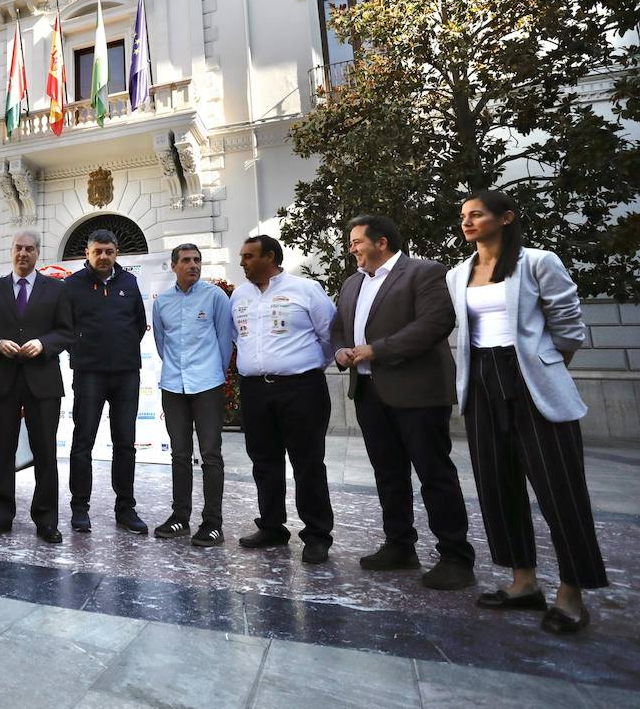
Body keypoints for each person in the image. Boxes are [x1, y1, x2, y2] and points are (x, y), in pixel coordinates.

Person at [449, 189, 608, 634]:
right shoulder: (458, 273)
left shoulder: (538, 262)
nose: (467, 222)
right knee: (498, 487)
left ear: (505, 218)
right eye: (464, 216)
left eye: (476, 214)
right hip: (481, 384)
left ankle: (572, 592)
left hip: (531, 381)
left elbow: (568, 327)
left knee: (561, 491)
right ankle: (523, 583)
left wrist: (544, 369)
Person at [331, 215, 475, 589]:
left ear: (381, 242)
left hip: (418, 393)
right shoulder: (351, 285)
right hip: (368, 394)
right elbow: (338, 330)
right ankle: (399, 545)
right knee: (389, 474)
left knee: (434, 474)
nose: (352, 249)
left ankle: (456, 556)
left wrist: (376, 351)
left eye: (357, 241)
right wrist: (341, 351)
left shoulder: (425, 273)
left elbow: (433, 324)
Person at [231, 234, 336, 564]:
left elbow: (331, 335)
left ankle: (317, 535)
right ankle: (272, 527)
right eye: (242, 256)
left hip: (301, 389)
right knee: (264, 462)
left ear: (270, 257)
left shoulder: (305, 290)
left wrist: (303, 366)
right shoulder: (240, 295)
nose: (242, 262)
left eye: (249, 256)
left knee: (307, 463)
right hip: (255, 390)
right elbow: (238, 338)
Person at [0, 230, 75, 544]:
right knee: (2, 450)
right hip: (4, 381)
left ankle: (46, 521)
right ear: (12, 251)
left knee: (45, 452)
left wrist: (44, 344)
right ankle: (0, 516)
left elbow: (67, 332)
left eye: (30, 249)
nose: (23, 254)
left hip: (42, 382)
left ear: (37, 253)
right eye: (19, 248)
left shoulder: (56, 290)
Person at [64, 229, 149, 535]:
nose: (103, 256)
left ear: (116, 253)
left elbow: (139, 324)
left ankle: (125, 508)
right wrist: (86, 351)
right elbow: (65, 326)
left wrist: (121, 349)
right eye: (97, 251)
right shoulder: (72, 285)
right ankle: (79, 508)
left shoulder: (130, 282)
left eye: (109, 251)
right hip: (89, 374)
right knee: (83, 442)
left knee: (125, 444)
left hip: (126, 374)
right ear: (87, 254)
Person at [151, 243, 233, 547]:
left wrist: (212, 374)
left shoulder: (215, 297)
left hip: (207, 386)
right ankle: (180, 518)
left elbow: (225, 342)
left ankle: (213, 523)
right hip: (173, 386)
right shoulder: (162, 303)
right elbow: (162, 344)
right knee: (180, 455)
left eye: (197, 260)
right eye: (186, 260)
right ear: (174, 266)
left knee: (211, 455)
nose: (193, 265)